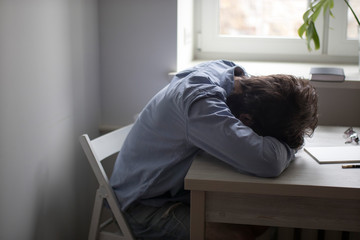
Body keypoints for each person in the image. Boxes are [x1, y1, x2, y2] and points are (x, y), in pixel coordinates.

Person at [110, 60, 318, 240]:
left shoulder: (230, 73)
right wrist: (292, 145)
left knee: (261, 217)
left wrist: (285, 142)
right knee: (238, 236)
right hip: (143, 206)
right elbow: (269, 162)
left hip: (171, 192)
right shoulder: (202, 107)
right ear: (246, 120)